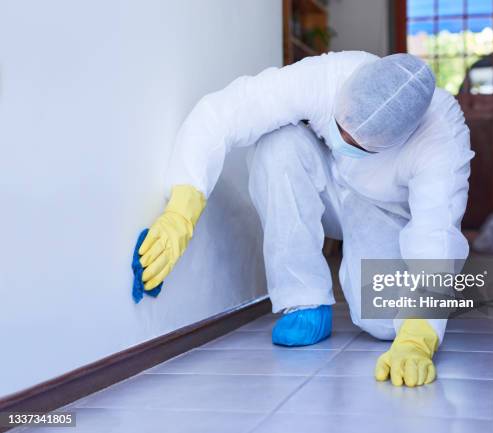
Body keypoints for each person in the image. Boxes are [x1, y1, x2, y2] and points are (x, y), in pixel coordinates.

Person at [137, 51, 474, 387]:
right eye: (342, 128)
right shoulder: (330, 75)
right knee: (277, 145)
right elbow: (225, 112)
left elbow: (436, 236)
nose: (345, 142)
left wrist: (417, 340)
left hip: (385, 212)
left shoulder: (443, 138)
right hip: (328, 184)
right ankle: (303, 300)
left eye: (359, 143)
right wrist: (182, 209)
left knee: (385, 324)